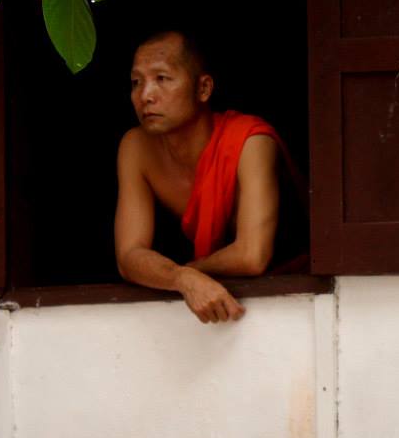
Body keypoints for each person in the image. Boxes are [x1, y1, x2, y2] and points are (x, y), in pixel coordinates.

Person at [114, 30, 285, 324]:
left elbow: (252, 255)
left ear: (203, 88)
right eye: (136, 82)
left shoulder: (249, 142)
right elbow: (129, 255)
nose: (145, 96)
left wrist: (189, 271)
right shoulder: (137, 147)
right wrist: (181, 278)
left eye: (162, 78)